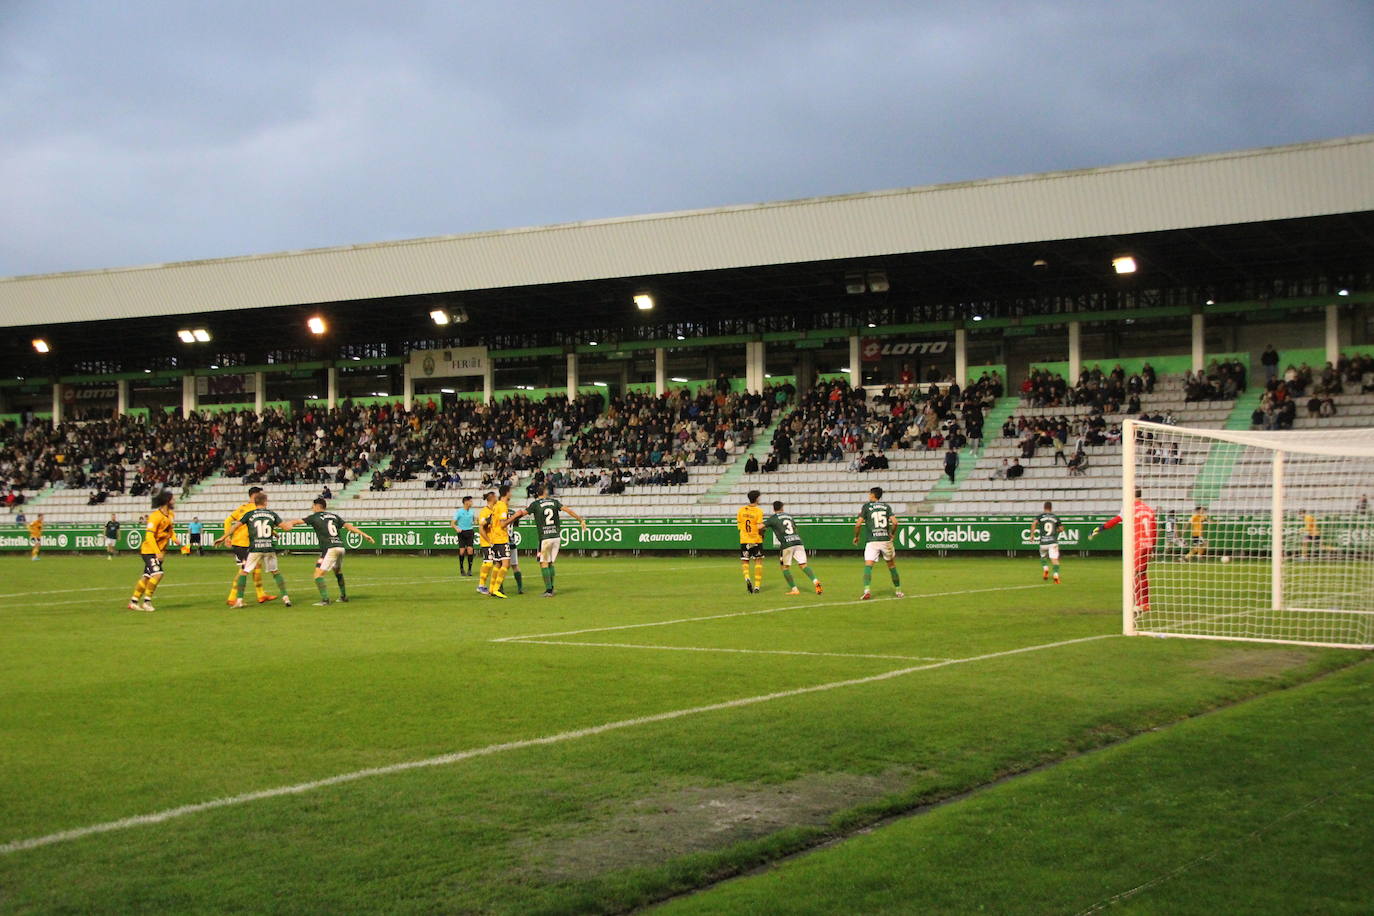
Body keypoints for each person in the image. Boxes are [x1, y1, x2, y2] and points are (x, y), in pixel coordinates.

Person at [282, 498, 373, 605]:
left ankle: (325, 600)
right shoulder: (334, 516)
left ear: (317, 506)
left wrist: (289, 524)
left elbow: (298, 521)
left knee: (317, 575)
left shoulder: (314, 517)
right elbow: (348, 526)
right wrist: (364, 534)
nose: (312, 508)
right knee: (337, 571)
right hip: (340, 547)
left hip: (330, 548)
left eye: (313, 506)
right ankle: (343, 596)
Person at [506, 484, 588, 597]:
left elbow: (522, 514)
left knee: (543, 563)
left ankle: (548, 590)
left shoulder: (535, 504)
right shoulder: (554, 502)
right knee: (550, 563)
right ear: (544, 492)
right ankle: (552, 588)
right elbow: (567, 510)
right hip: (556, 536)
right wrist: (580, 520)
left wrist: (509, 520)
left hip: (545, 537)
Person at [216, 490, 292, 608]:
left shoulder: (250, 513)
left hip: (255, 547)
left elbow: (235, 526)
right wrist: (294, 523)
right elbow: (285, 527)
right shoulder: (271, 514)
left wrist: (223, 537)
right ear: (265, 502)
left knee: (244, 571)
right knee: (275, 572)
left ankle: (239, 599)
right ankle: (286, 598)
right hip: (268, 547)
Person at [1090, 488, 1158, 613]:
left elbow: (1116, 520)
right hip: (1148, 544)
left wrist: (1100, 528)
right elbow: (1154, 529)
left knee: (1134, 574)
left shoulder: (1129, 507)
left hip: (1137, 544)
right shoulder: (1149, 509)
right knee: (1142, 573)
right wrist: (1153, 547)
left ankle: (1138, 604)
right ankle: (1145, 603)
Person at [128, 492, 177, 611]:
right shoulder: (155, 516)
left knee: (147, 577)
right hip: (149, 550)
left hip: (158, 551)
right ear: (167, 501)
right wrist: (157, 552)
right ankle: (147, 601)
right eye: (173, 499)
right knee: (158, 574)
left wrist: (176, 540)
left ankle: (133, 601)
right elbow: (149, 536)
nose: (175, 501)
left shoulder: (170, 515)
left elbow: (169, 531)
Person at [224, 487, 272, 605]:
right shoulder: (255, 508)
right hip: (244, 544)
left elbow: (227, 521)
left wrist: (228, 536)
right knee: (244, 570)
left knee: (256, 567)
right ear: (255, 495)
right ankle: (232, 597)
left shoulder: (242, 508)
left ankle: (261, 595)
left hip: (243, 543)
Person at [853, 486, 903, 600]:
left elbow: (858, 524)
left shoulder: (866, 507)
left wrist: (856, 536)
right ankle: (898, 591)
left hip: (872, 541)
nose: (868, 495)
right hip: (885, 540)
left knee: (868, 565)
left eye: (869, 494)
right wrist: (892, 534)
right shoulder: (886, 507)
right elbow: (895, 522)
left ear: (872, 495)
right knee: (891, 565)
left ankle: (866, 590)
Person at [763, 500, 822, 595]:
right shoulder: (789, 517)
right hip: (798, 541)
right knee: (803, 565)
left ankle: (794, 589)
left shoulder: (773, 519)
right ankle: (815, 581)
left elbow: (760, 526)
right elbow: (795, 528)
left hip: (786, 544)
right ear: (782, 507)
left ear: (773, 509)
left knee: (784, 567)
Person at [480, 487, 514, 598]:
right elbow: (503, 524)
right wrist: (515, 516)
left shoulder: (496, 506)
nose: (511, 494)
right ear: (507, 493)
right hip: (501, 539)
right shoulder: (502, 506)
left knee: (498, 563)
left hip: (494, 539)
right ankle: (496, 589)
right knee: (506, 564)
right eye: (510, 492)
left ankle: (491, 588)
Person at [737, 489, 765, 593]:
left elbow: (739, 526)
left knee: (745, 561)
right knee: (758, 561)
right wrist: (763, 534)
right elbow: (759, 527)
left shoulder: (741, 510)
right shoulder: (758, 511)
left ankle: (747, 578)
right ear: (757, 498)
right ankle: (757, 586)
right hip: (756, 539)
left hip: (744, 539)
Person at [1031, 501, 1062, 583]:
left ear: (1044, 508)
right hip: (1053, 542)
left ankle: (1045, 569)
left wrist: (1032, 535)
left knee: (1043, 557)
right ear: (1051, 508)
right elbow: (1061, 529)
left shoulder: (1040, 516)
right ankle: (1056, 575)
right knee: (1054, 559)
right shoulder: (1055, 517)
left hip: (1043, 542)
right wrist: (1056, 530)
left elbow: (1034, 523)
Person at [475, 491, 496, 596]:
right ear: (491, 498)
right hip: (487, 541)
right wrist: (488, 540)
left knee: (492, 562)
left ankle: (493, 586)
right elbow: (481, 526)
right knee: (488, 562)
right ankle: (481, 585)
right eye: (495, 496)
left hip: (494, 541)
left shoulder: (494, 510)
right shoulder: (484, 511)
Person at [451, 496, 478, 577]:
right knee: (462, 551)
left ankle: (469, 569)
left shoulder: (472, 511)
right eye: (471, 501)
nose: (472, 503)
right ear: (466, 502)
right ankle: (461, 568)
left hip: (470, 531)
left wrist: (477, 521)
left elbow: (475, 520)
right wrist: (456, 528)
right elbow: (452, 523)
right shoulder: (459, 512)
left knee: (470, 550)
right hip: (462, 532)